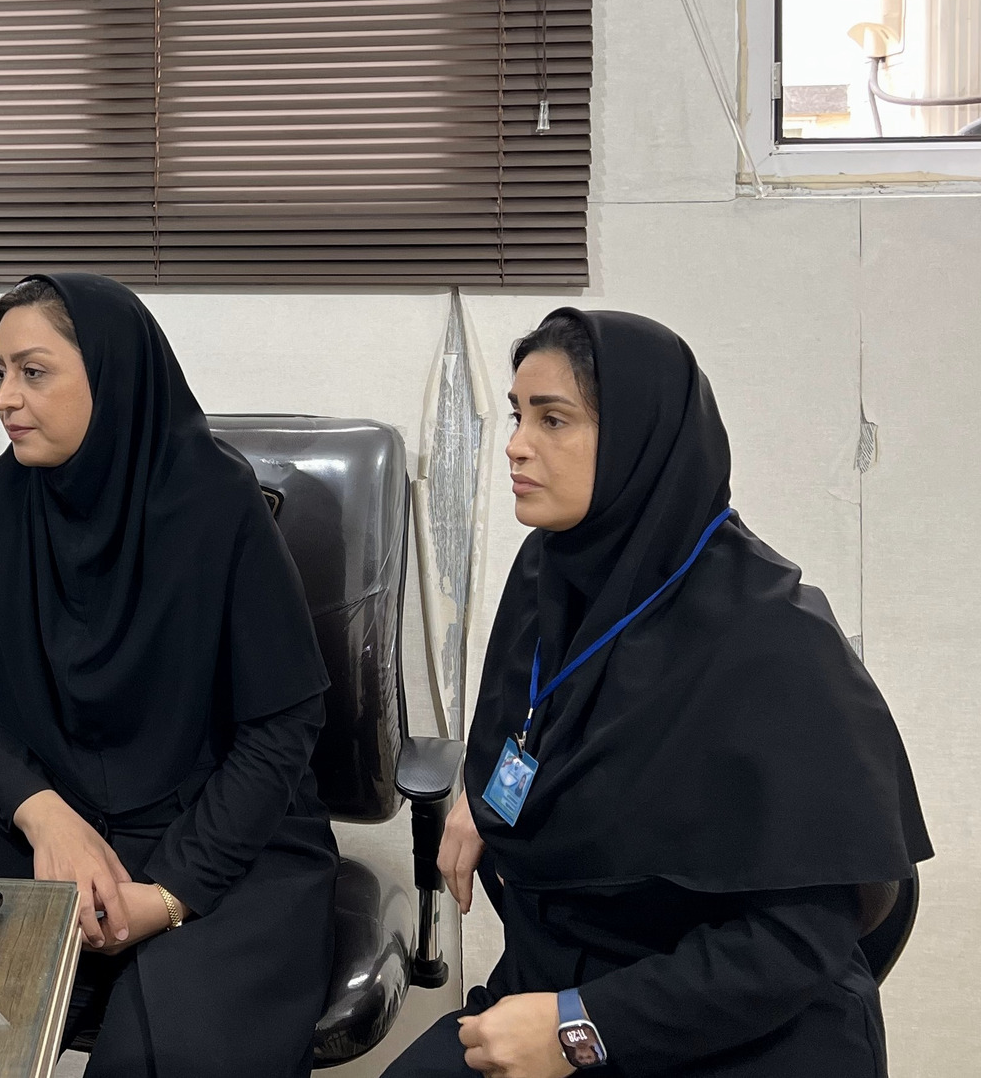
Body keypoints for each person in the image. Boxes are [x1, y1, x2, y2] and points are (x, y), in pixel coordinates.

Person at [385, 309, 932, 1078]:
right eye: (517, 415)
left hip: (726, 1023)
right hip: (550, 986)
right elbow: (542, 725)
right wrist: (492, 797)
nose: (515, 444)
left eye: (553, 419)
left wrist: (578, 1028)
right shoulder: (549, 575)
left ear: (640, 440)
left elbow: (796, 943)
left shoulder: (773, 638)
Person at [0, 274, 339, 1078]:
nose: (5, 397)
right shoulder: (3, 499)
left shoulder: (218, 502)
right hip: (61, 824)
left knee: (164, 1051)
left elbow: (281, 726)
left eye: (33, 371)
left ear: (111, 375)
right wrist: (46, 816)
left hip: (227, 830)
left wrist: (171, 893)